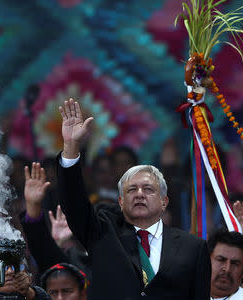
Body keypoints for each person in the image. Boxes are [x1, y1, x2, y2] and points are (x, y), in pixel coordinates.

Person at [56, 99, 211, 299]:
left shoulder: (193, 248)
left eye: (148, 189)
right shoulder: (101, 233)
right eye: (131, 190)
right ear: (120, 201)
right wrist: (70, 147)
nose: (139, 194)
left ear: (164, 201)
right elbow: (74, 203)